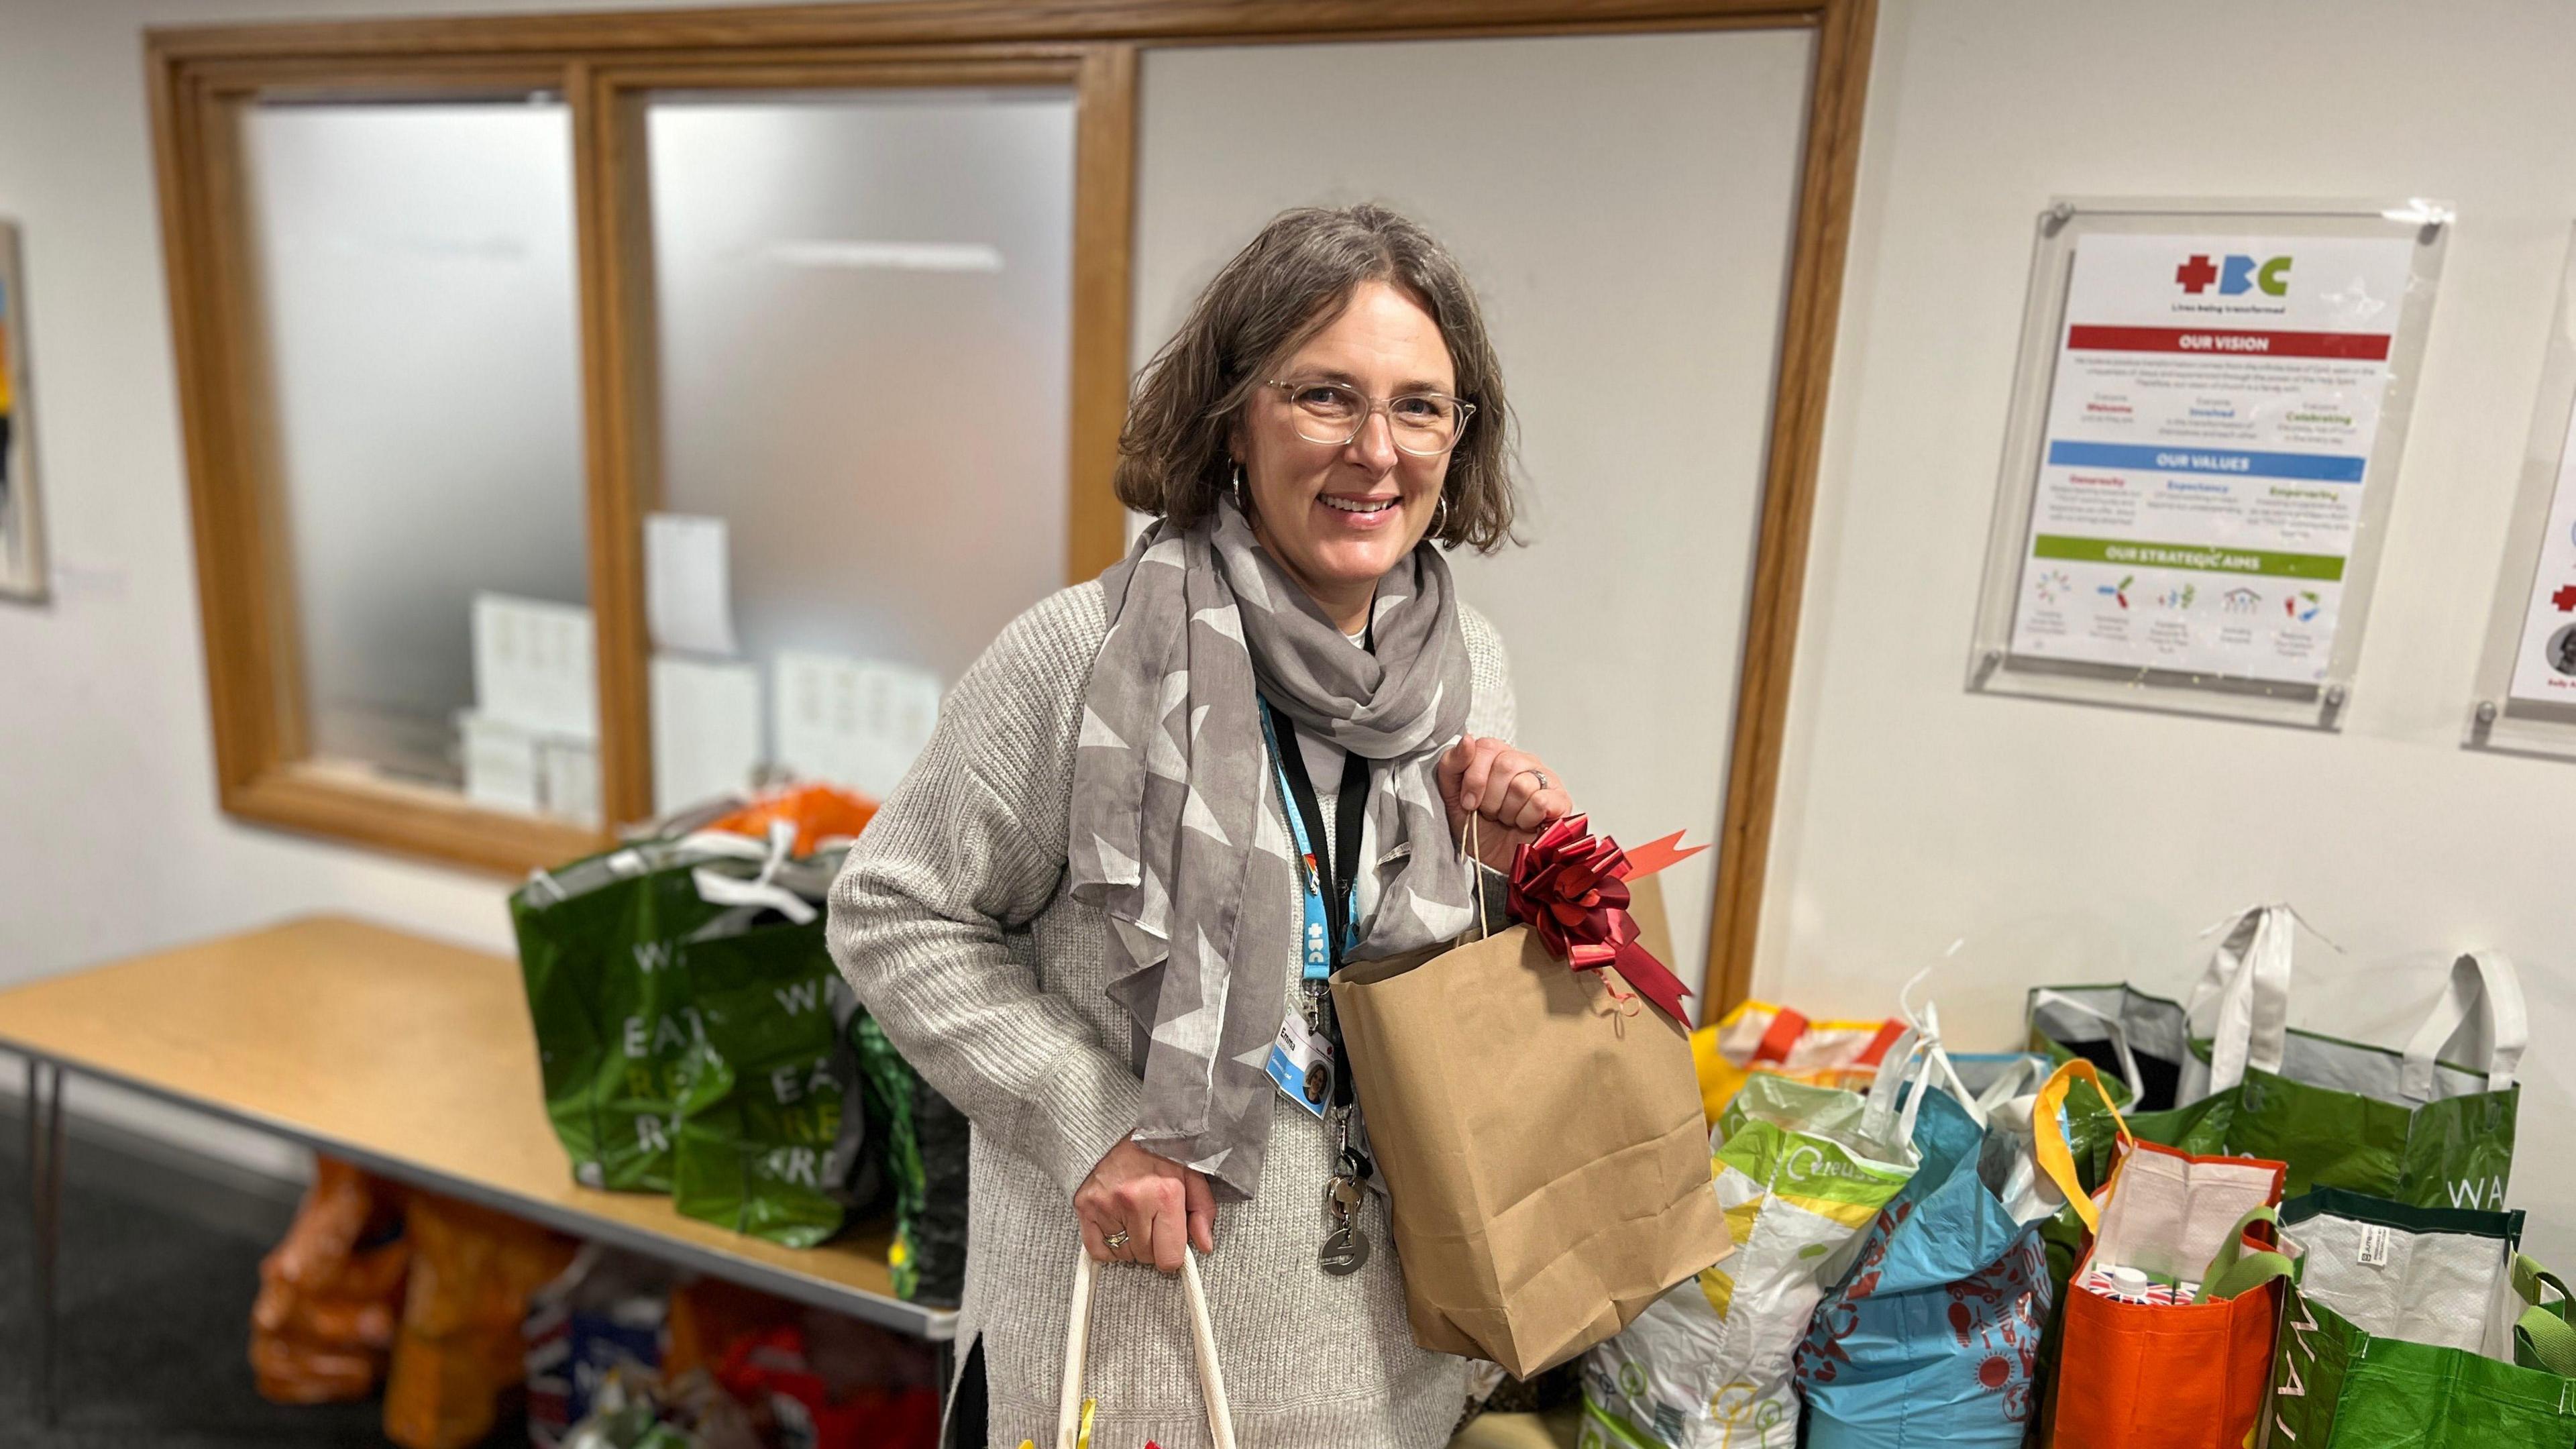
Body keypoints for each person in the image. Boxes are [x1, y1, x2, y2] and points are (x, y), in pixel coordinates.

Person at [830, 203, 1572, 1449]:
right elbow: (893, 909)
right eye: (1325, 396)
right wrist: (1088, 1117)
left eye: (1421, 406)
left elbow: (1420, 1001)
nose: (1377, 450)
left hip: (1385, 1355)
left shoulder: (1468, 672)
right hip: (1133, 1350)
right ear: (1234, 414)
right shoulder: (1089, 655)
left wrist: (1507, 873)